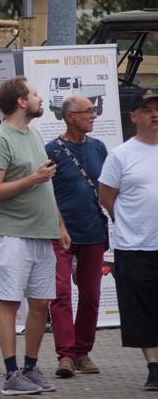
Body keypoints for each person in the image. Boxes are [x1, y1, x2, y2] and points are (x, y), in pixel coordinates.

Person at [0, 76, 69, 395]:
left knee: (41, 303)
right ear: (21, 101)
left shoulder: (33, 134)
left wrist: (59, 225)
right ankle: (10, 374)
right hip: (11, 233)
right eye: (34, 94)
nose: (40, 98)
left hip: (40, 233)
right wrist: (32, 179)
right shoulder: (0, 139)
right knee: (9, 302)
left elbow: (44, 184)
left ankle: (30, 369)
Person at [98, 88, 158, 391]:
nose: (155, 114)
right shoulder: (121, 155)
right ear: (134, 116)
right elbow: (106, 196)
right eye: (147, 109)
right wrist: (129, 221)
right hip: (135, 245)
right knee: (141, 309)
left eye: (157, 108)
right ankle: (154, 367)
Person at [45, 96, 108, 378]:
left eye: (93, 111)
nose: (93, 116)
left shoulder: (99, 148)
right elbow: (45, 194)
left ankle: (83, 352)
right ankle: (66, 356)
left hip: (94, 232)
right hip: (62, 235)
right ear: (70, 117)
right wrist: (59, 226)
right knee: (60, 295)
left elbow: (108, 188)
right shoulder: (52, 151)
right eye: (88, 112)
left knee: (92, 295)